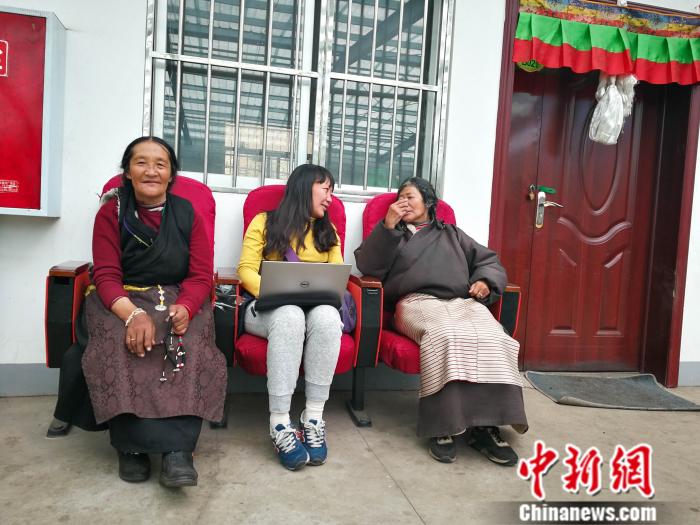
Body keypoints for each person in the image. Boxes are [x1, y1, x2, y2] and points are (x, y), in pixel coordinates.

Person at [53, 136, 227, 487]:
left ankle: (178, 451)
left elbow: (199, 275)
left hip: (176, 296)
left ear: (171, 174)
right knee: (122, 341)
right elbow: (105, 274)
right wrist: (132, 315)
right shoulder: (111, 212)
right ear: (128, 172)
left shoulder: (187, 214)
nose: (151, 171)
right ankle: (130, 447)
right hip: (120, 297)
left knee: (189, 339)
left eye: (160, 164)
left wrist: (187, 306)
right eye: (141, 163)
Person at [354, 177, 528, 465]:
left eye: (410, 197)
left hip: (461, 302)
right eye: (400, 198)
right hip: (415, 303)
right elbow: (368, 266)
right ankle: (443, 426)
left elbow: (489, 261)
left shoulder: (453, 234)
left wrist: (485, 281)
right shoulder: (392, 234)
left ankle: (486, 426)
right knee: (444, 335)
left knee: (496, 336)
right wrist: (387, 227)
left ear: (429, 203)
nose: (403, 202)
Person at [237, 164, 344, 471]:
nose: (330, 198)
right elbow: (245, 270)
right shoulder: (264, 222)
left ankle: (313, 417)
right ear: (305, 187)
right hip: (267, 310)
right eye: (326, 190)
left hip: (314, 310)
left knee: (327, 317)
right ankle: (280, 423)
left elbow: (336, 276)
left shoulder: (328, 231)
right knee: (290, 315)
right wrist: (275, 293)